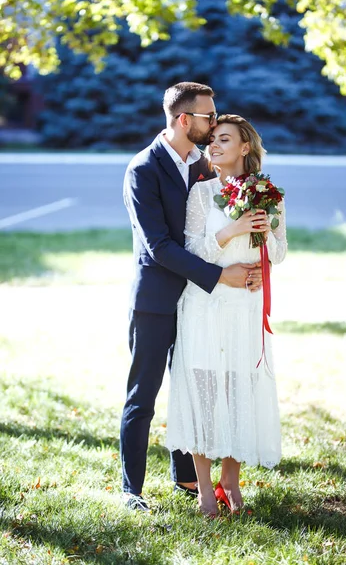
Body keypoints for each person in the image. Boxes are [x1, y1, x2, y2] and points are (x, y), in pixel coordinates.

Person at [121, 84, 263, 511]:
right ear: (185, 120)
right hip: (157, 299)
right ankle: (132, 490)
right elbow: (159, 246)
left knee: (192, 386)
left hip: (202, 305)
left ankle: (186, 477)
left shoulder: (204, 166)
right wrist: (222, 276)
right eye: (208, 116)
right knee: (143, 395)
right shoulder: (143, 169)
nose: (214, 122)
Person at [165, 114, 287, 517]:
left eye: (223, 140)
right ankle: (203, 490)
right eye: (212, 139)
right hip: (205, 304)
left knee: (239, 388)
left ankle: (230, 484)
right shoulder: (202, 193)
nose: (213, 146)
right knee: (203, 388)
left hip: (246, 310)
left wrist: (260, 259)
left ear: (245, 147)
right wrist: (232, 229)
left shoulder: (270, 193)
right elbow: (191, 250)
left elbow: (280, 252)